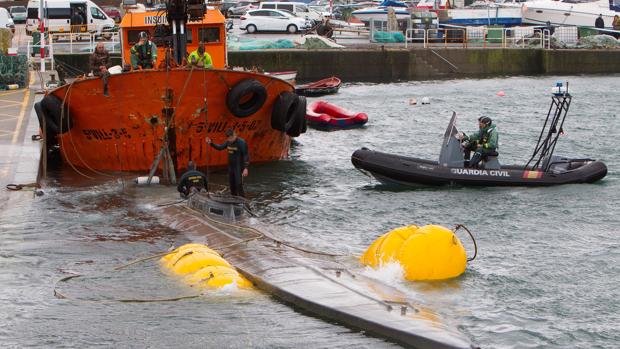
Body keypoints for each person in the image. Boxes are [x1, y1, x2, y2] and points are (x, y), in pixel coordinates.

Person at [206, 129, 249, 197]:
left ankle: (242, 201)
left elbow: (246, 155)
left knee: (238, 184)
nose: (229, 140)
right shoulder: (228, 142)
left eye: (231, 138)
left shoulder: (241, 142)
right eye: (228, 138)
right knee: (232, 185)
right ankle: (233, 199)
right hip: (231, 167)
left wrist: (246, 168)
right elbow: (220, 148)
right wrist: (211, 143)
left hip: (238, 167)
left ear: (234, 135)